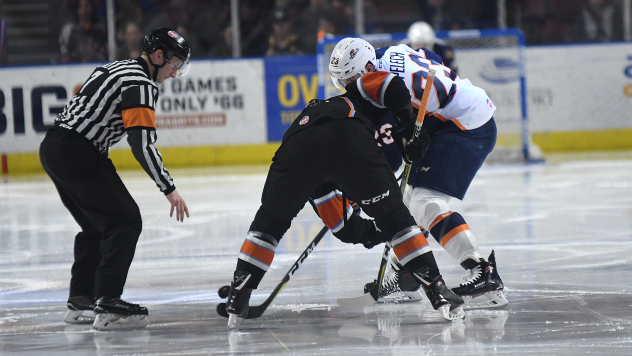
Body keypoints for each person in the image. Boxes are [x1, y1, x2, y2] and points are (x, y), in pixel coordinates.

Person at [223, 37, 464, 329]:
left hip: (297, 139)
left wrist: (371, 233)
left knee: (270, 220)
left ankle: (239, 292)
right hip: (347, 133)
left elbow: (343, 226)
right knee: (396, 218)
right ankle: (437, 290)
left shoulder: (326, 106)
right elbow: (392, 86)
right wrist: (407, 126)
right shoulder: (360, 89)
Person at [329, 37, 507, 309]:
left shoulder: (383, 92)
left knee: (424, 202)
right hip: (457, 115)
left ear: (366, 68)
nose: (347, 87)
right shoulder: (386, 54)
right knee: (408, 203)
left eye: (350, 80)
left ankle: (482, 271)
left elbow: (388, 163)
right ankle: (406, 276)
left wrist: (354, 190)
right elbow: (430, 58)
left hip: (465, 126)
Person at [40, 27, 192, 330]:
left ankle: (81, 298)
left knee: (96, 226)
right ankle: (108, 300)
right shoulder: (141, 84)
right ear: (158, 55)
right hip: (79, 152)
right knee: (126, 221)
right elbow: (141, 143)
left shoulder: (118, 67)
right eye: (175, 65)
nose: (174, 74)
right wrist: (169, 188)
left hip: (55, 147)